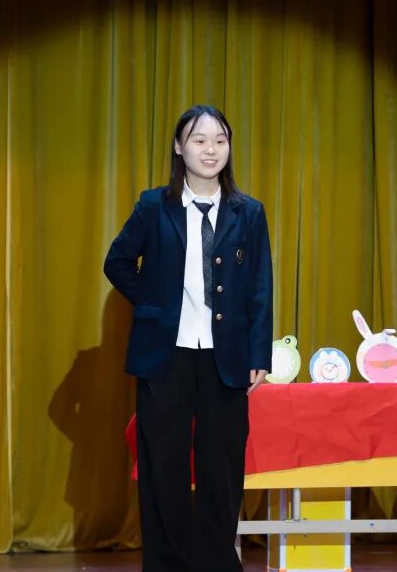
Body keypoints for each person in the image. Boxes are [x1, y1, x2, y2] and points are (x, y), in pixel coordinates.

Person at [104, 104, 273, 572]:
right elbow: (117, 262)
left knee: (222, 467)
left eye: (220, 140)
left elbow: (260, 287)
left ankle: (218, 562)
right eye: (199, 140)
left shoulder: (248, 212)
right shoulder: (153, 206)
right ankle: (168, 564)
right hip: (166, 356)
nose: (210, 149)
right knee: (164, 466)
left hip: (226, 357)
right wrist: (156, 302)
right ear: (180, 147)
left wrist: (259, 353)